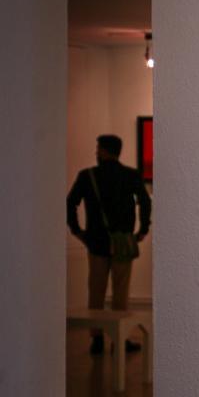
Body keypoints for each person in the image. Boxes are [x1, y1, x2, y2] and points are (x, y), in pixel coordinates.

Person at [67, 134, 152, 354]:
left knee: (96, 291)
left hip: (96, 241)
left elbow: (71, 202)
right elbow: (145, 201)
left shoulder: (88, 176)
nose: (96, 152)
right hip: (123, 241)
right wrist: (142, 229)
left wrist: (77, 230)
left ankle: (96, 339)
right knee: (120, 293)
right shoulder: (131, 175)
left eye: (98, 148)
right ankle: (119, 339)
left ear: (104, 151)